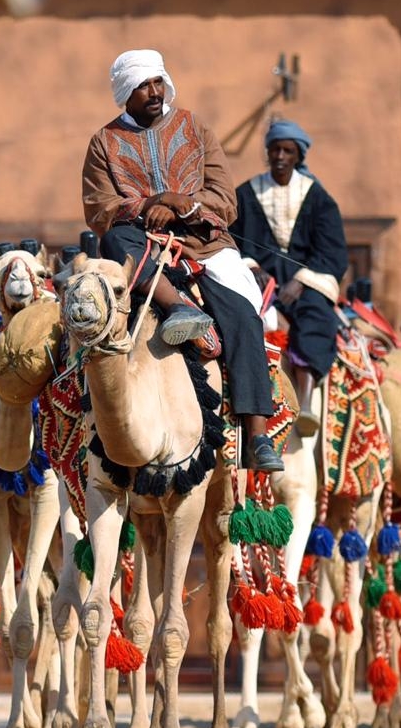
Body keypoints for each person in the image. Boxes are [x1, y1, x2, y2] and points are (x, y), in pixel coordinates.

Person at [81, 49, 283, 473]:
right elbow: (100, 208)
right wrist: (149, 205)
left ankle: (257, 435)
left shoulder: (194, 127)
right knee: (113, 248)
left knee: (244, 316)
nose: (154, 92)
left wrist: (180, 205)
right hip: (140, 242)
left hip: (203, 243)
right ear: (125, 92)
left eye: (158, 82)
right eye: (143, 86)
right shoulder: (103, 143)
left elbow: (225, 199)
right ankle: (179, 307)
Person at [230, 120, 349, 437]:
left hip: (307, 283)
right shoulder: (246, 193)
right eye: (275, 149)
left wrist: (304, 279)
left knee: (315, 316)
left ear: (298, 156)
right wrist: (252, 266)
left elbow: (333, 251)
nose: (280, 156)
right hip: (257, 279)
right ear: (267, 152)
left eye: (287, 150)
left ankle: (307, 401)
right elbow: (233, 242)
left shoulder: (318, 198)